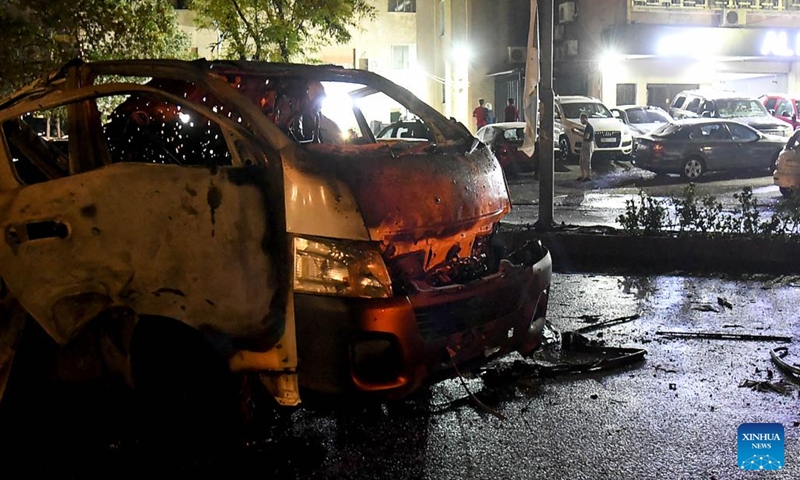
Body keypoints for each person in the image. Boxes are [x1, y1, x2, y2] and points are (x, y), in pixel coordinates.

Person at [578, 113, 594, 182]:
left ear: (585, 119)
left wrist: (578, 133)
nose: (581, 121)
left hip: (588, 144)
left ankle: (588, 176)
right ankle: (584, 176)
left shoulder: (589, 127)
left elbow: (586, 137)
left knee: (586, 161)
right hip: (586, 144)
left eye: (581, 119)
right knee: (582, 161)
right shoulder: (588, 127)